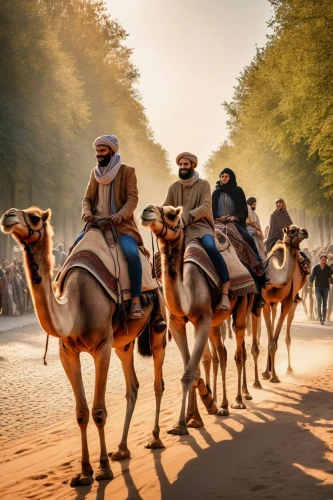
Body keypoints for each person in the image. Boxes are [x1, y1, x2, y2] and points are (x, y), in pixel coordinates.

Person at [81, 134, 144, 319]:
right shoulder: (95, 173)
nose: (99, 154)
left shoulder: (127, 171)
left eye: (102, 151)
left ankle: (136, 301)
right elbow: (87, 199)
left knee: (132, 255)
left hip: (121, 226)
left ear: (111, 151)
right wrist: (87, 212)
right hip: (96, 226)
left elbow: (133, 198)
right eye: (97, 151)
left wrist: (121, 215)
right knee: (73, 250)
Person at [163, 152, 230, 311]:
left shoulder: (204, 185)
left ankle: (225, 292)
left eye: (186, 165)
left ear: (192, 166)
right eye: (180, 165)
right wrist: (158, 214)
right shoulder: (174, 187)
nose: (182, 167)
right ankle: (161, 296)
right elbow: (166, 206)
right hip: (180, 231)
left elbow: (205, 207)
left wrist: (185, 217)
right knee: (164, 255)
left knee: (211, 247)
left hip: (201, 227)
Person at [212, 168, 265, 308]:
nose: (223, 178)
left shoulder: (238, 191)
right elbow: (211, 210)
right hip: (217, 223)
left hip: (234, 223)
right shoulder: (216, 192)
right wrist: (217, 218)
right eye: (222, 176)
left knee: (248, 239)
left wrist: (233, 217)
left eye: (226, 176)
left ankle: (259, 270)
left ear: (231, 177)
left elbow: (243, 210)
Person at [309, 253, 333, 325]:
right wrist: (310, 282)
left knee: (325, 303)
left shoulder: (328, 268)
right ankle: (320, 318)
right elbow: (312, 276)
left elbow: (330, 277)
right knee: (319, 302)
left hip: (326, 288)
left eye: (325, 259)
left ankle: (324, 317)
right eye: (323, 259)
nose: (324, 261)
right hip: (318, 288)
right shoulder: (316, 267)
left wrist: (332, 282)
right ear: (320, 260)